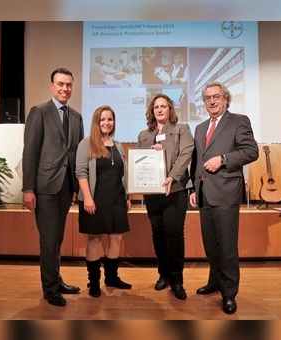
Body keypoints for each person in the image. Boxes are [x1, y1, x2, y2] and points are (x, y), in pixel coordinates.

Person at [189, 82, 259, 314]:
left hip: (226, 193)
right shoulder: (199, 128)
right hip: (204, 194)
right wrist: (193, 189)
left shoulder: (239, 120)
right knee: (211, 246)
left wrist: (224, 159)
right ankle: (215, 282)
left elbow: (251, 151)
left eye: (216, 96)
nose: (212, 101)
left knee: (227, 247)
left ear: (225, 99)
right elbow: (197, 161)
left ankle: (229, 294)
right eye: (207, 98)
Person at [22, 67, 84, 307]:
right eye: (60, 84)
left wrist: (79, 185)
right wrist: (28, 189)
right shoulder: (39, 112)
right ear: (51, 86)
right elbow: (30, 153)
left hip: (67, 187)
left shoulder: (76, 117)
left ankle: (56, 280)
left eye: (68, 84)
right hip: (45, 187)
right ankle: (49, 289)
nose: (64, 88)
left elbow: (78, 154)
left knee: (57, 239)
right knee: (48, 240)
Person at [136, 94, 194, 300]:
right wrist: (150, 154)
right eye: (156, 107)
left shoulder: (182, 129)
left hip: (175, 190)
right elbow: (139, 162)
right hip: (153, 194)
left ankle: (177, 280)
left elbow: (186, 154)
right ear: (152, 111)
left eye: (164, 106)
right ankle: (164, 275)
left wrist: (171, 176)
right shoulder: (144, 135)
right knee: (158, 234)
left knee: (174, 235)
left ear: (170, 109)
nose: (160, 110)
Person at [76, 105, 132, 298]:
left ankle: (111, 277)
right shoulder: (86, 143)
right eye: (103, 120)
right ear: (96, 122)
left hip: (116, 199)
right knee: (94, 240)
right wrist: (88, 198)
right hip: (95, 199)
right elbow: (81, 172)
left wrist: (127, 196)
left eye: (110, 119)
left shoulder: (117, 145)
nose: (107, 123)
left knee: (116, 238)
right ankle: (94, 282)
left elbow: (122, 174)